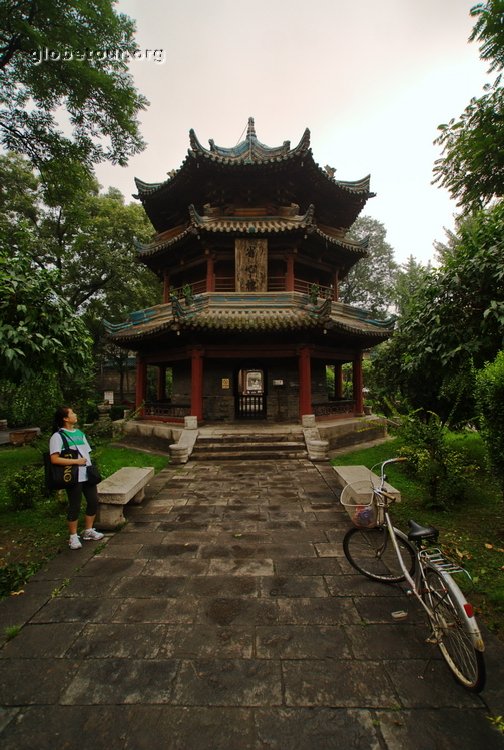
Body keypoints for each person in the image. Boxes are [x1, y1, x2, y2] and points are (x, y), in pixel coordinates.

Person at [49, 406, 104, 550]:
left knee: (93, 501)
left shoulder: (80, 433)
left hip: (87, 474)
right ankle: (73, 536)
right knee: (75, 505)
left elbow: (86, 453)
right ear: (65, 419)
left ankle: (88, 530)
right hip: (73, 476)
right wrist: (75, 462)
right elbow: (54, 459)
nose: (75, 414)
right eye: (72, 413)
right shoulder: (58, 436)